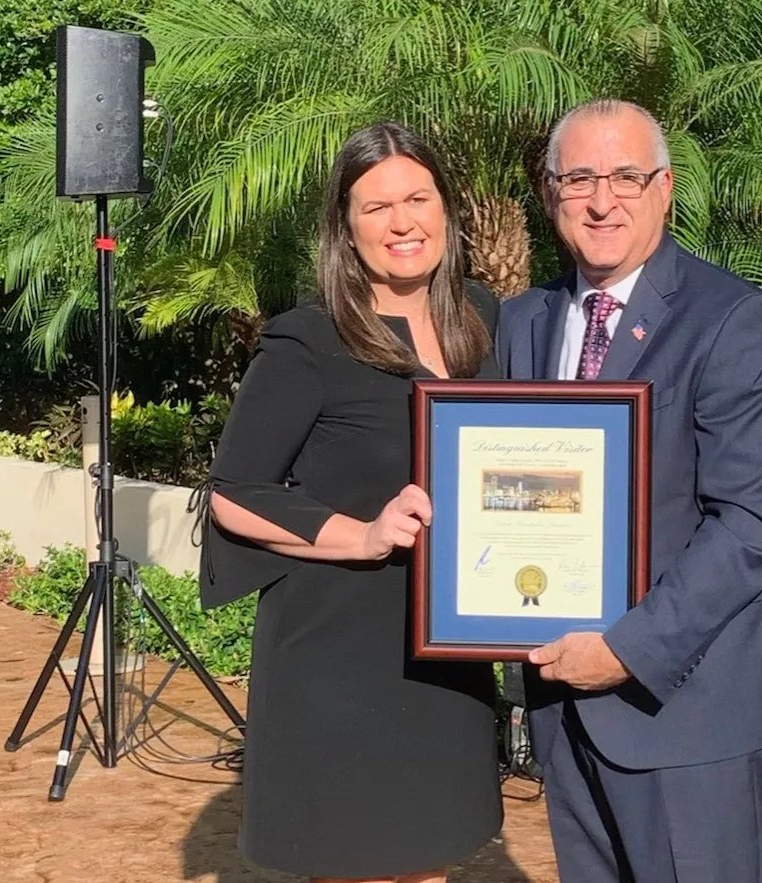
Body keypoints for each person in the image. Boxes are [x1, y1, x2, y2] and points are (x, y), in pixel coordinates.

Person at [496, 99, 762, 882]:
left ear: (664, 188)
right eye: (578, 178)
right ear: (547, 194)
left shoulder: (731, 319)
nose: (601, 200)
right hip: (563, 707)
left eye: (625, 176)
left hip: (687, 717)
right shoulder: (522, 323)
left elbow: (752, 521)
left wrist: (627, 651)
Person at [194, 121, 503, 883]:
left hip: (446, 653)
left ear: (446, 209)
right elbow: (234, 493)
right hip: (340, 659)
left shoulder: (482, 318)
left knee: (431, 858)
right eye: (375, 207)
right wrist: (363, 534)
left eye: (417, 198)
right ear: (345, 228)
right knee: (358, 862)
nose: (401, 222)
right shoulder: (308, 340)